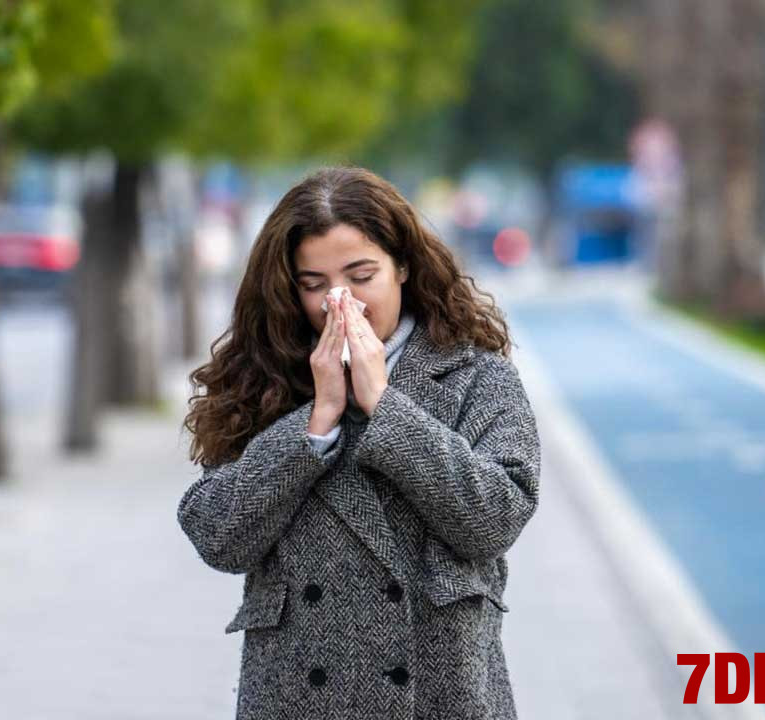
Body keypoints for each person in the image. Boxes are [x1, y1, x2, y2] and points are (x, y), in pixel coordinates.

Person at [177, 166, 541, 720]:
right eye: (314, 284)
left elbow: (494, 517)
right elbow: (218, 537)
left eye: (360, 275)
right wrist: (316, 422)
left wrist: (385, 408)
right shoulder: (264, 381)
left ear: (402, 267)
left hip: (441, 695)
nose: (339, 302)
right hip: (297, 699)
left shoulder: (476, 375)